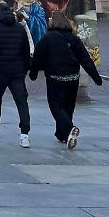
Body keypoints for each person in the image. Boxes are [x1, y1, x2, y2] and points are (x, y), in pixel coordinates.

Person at [30, 12, 102, 149]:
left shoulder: (47, 38)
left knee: (56, 106)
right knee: (68, 107)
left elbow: (38, 58)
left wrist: (33, 74)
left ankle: (69, 129)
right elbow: (85, 59)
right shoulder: (74, 38)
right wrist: (96, 78)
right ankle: (62, 134)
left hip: (55, 78)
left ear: (52, 23)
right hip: (73, 78)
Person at [0, 1, 32, 148]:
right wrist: (24, 69)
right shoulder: (19, 28)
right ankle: (24, 135)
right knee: (22, 102)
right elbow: (25, 50)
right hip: (17, 71)